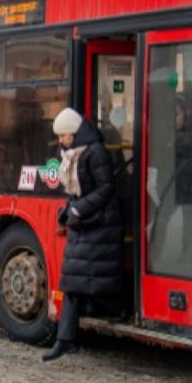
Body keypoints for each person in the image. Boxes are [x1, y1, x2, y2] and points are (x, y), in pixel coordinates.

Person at [44, 107, 125, 362]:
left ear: (74, 133)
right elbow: (75, 192)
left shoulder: (96, 152)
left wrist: (78, 208)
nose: (61, 141)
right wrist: (68, 209)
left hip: (102, 222)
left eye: (64, 136)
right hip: (84, 221)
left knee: (87, 280)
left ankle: (118, 309)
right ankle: (64, 340)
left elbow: (106, 188)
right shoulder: (73, 152)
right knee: (73, 281)